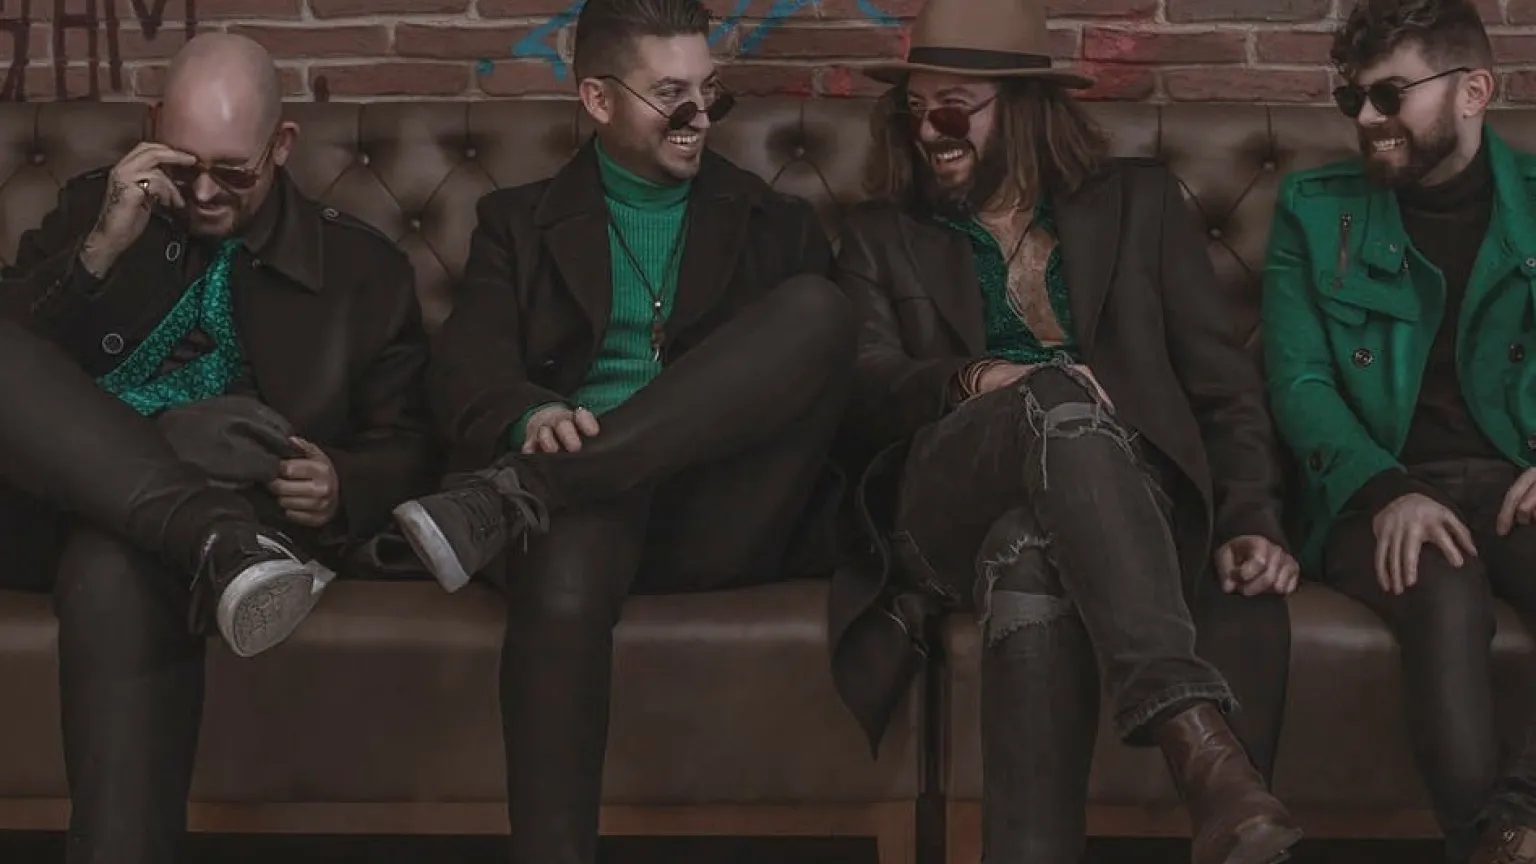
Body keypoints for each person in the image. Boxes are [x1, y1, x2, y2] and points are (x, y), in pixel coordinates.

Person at [825, 0, 1304, 862]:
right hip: (944, 503)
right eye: (915, 107)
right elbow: (861, 388)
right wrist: (981, 378)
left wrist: (1248, 518)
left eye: (953, 108)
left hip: (1125, 507)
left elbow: (1221, 386)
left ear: (1023, 106)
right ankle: (1199, 744)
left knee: (1031, 554)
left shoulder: (1139, 204)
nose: (929, 130)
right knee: (1054, 399)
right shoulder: (879, 233)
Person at [385, 0, 853, 860]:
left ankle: (522, 493)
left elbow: (815, 396)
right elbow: (464, 367)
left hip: (718, 514)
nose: (698, 117)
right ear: (597, 100)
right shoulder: (516, 224)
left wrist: (547, 475)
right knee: (569, 540)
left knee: (819, 312)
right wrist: (533, 414)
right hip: (583, 527)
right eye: (671, 95)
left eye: (709, 92)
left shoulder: (776, 224)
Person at [0, 32, 434, 863]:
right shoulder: (94, 209)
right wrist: (97, 253)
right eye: (183, 163)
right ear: (152, 125)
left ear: (282, 145)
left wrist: (343, 483)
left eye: (232, 173)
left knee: (116, 563)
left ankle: (208, 534)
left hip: (180, 523)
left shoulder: (361, 268)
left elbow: (412, 442)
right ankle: (214, 538)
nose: (202, 192)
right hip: (48, 504)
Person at [1263, 0, 1536, 860]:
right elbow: (1299, 381)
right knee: (1442, 586)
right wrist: (1388, 490)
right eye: (1354, 99)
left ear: (1474, 91)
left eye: (1390, 95)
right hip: (1371, 491)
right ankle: (1490, 842)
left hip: (1515, 481)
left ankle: (1512, 827)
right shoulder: (1313, 210)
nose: (1367, 119)